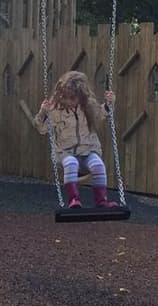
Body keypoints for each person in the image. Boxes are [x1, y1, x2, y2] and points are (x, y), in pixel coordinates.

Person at [34, 70, 117, 210]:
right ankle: (74, 200)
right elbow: (41, 129)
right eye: (64, 97)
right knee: (71, 163)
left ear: (81, 96)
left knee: (98, 166)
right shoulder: (54, 110)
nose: (67, 101)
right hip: (65, 153)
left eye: (72, 98)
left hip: (88, 151)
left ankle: (102, 202)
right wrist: (43, 112)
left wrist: (110, 103)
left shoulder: (89, 107)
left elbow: (103, 113)